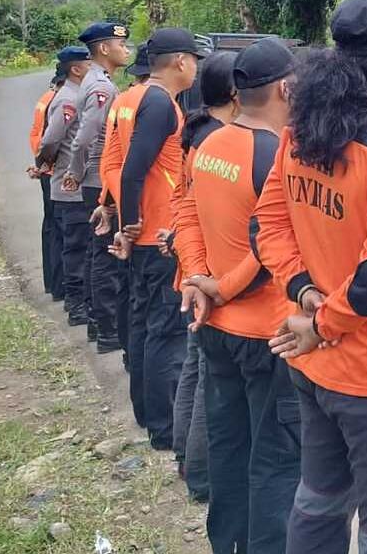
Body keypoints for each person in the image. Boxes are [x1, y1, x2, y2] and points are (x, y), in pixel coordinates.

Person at [218, 0, 367, 554]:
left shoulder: (303, 132)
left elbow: (265, 228)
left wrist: (304, 294)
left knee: (319, 501)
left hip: (315, 368)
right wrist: (322, 321)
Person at [178, 40, 300, 553]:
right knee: (275, 462)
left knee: (229, 453)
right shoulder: (276, 153)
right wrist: (220, 288)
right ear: (284, 88)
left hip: (217, 332)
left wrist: (195, 279)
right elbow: (271, 247)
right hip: (267, 335)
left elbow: (186, 217)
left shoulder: (211, 146)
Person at [109, 28, 201, 450]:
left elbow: (123, 164)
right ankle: (164, 428)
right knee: (166, 332)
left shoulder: (130, 97)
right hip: (160, 232)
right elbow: (134, 168)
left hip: (145, 232)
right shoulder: (161, 104)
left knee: (146, 325)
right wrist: (130, 226)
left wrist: (126, 223)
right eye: (194, 59)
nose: (196, 68)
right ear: (181, 62)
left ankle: (148, 415)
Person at [167, 51, 239, 504]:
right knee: (208, 378)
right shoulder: (221, 140)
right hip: (210, 278)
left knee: (195, 369)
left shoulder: (197, 131)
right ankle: (201, 476)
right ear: (237, 93)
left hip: (194, 269)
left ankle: (184, 457)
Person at [63, 21, 133, 347]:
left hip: (95, 176)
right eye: (121, 44)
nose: (126, 49)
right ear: (104, 48)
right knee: (105, 253)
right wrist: (76, 173)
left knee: (97, 252)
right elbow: (84, 139)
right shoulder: (102, 89)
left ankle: (97, 321)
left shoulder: (96, 81)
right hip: (98, 177)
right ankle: (107, 328)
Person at [35, 46, 92, 325]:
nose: (92, 66)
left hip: (75, 183)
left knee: (80, 246)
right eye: (87, 62)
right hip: (69, 187)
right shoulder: (68, 100)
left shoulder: (78, 96)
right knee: (75, 247)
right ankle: (75, 304)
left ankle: (80, 301)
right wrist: (44, 163)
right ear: (76, 69)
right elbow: (49, 140)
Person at [28, 64, 66, 301]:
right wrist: (45, 165)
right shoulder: (60, 102)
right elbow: (51, 140)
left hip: (45, 169)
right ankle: (60, 286)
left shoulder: (46, 98)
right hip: (54, 170)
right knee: (61, 231)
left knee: (50, 227)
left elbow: (36, 135)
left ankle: (52, 283)